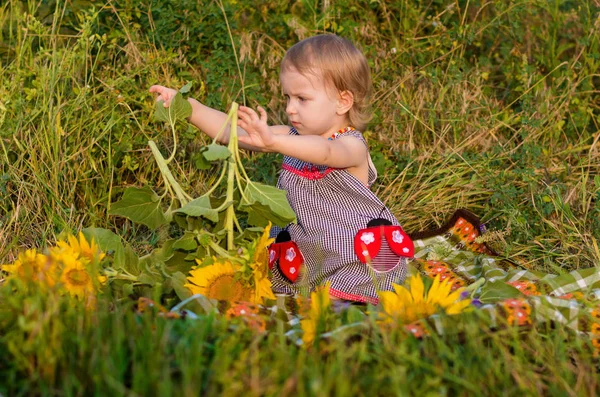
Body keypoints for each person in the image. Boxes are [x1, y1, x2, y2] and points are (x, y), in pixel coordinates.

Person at [150, 34, 411, 304]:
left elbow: (326, 152)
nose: (290, 109)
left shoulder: (351, 145)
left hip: (354, 262)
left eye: (302, 98)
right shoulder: (290, 136)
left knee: (339, 309)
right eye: (287, 97)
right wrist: (189, 107)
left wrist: (275, 142)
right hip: (307, 253)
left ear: (342, 101)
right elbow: (232, 133)